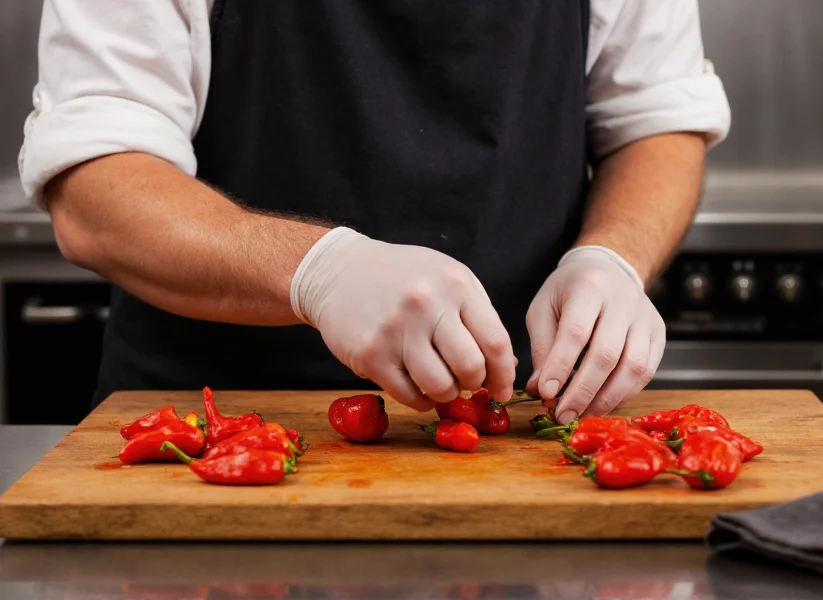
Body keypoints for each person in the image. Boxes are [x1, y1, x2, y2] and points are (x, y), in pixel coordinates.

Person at [20, 1, 730, 425]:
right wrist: (319, 272)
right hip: (219, 442)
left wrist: (611, 258)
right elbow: (97, 185)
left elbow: (654, 122)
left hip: (524, 433)